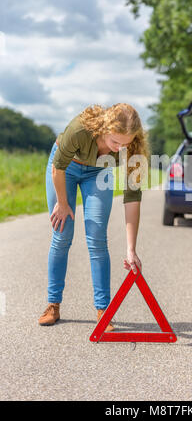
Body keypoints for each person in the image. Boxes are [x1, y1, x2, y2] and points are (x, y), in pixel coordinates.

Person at [38, 103, 150, 330]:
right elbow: (57, 168)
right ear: (104, 129)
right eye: (115, 142)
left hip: (98, 172)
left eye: (125, 143)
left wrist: (131, 248)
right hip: (65, 168)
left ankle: (103, 310)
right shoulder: (79, 129)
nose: (120, 149)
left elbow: (132, 197)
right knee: (62, 235)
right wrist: (62, 203)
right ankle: (53, 305)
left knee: (97, 238)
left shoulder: (133, 150)